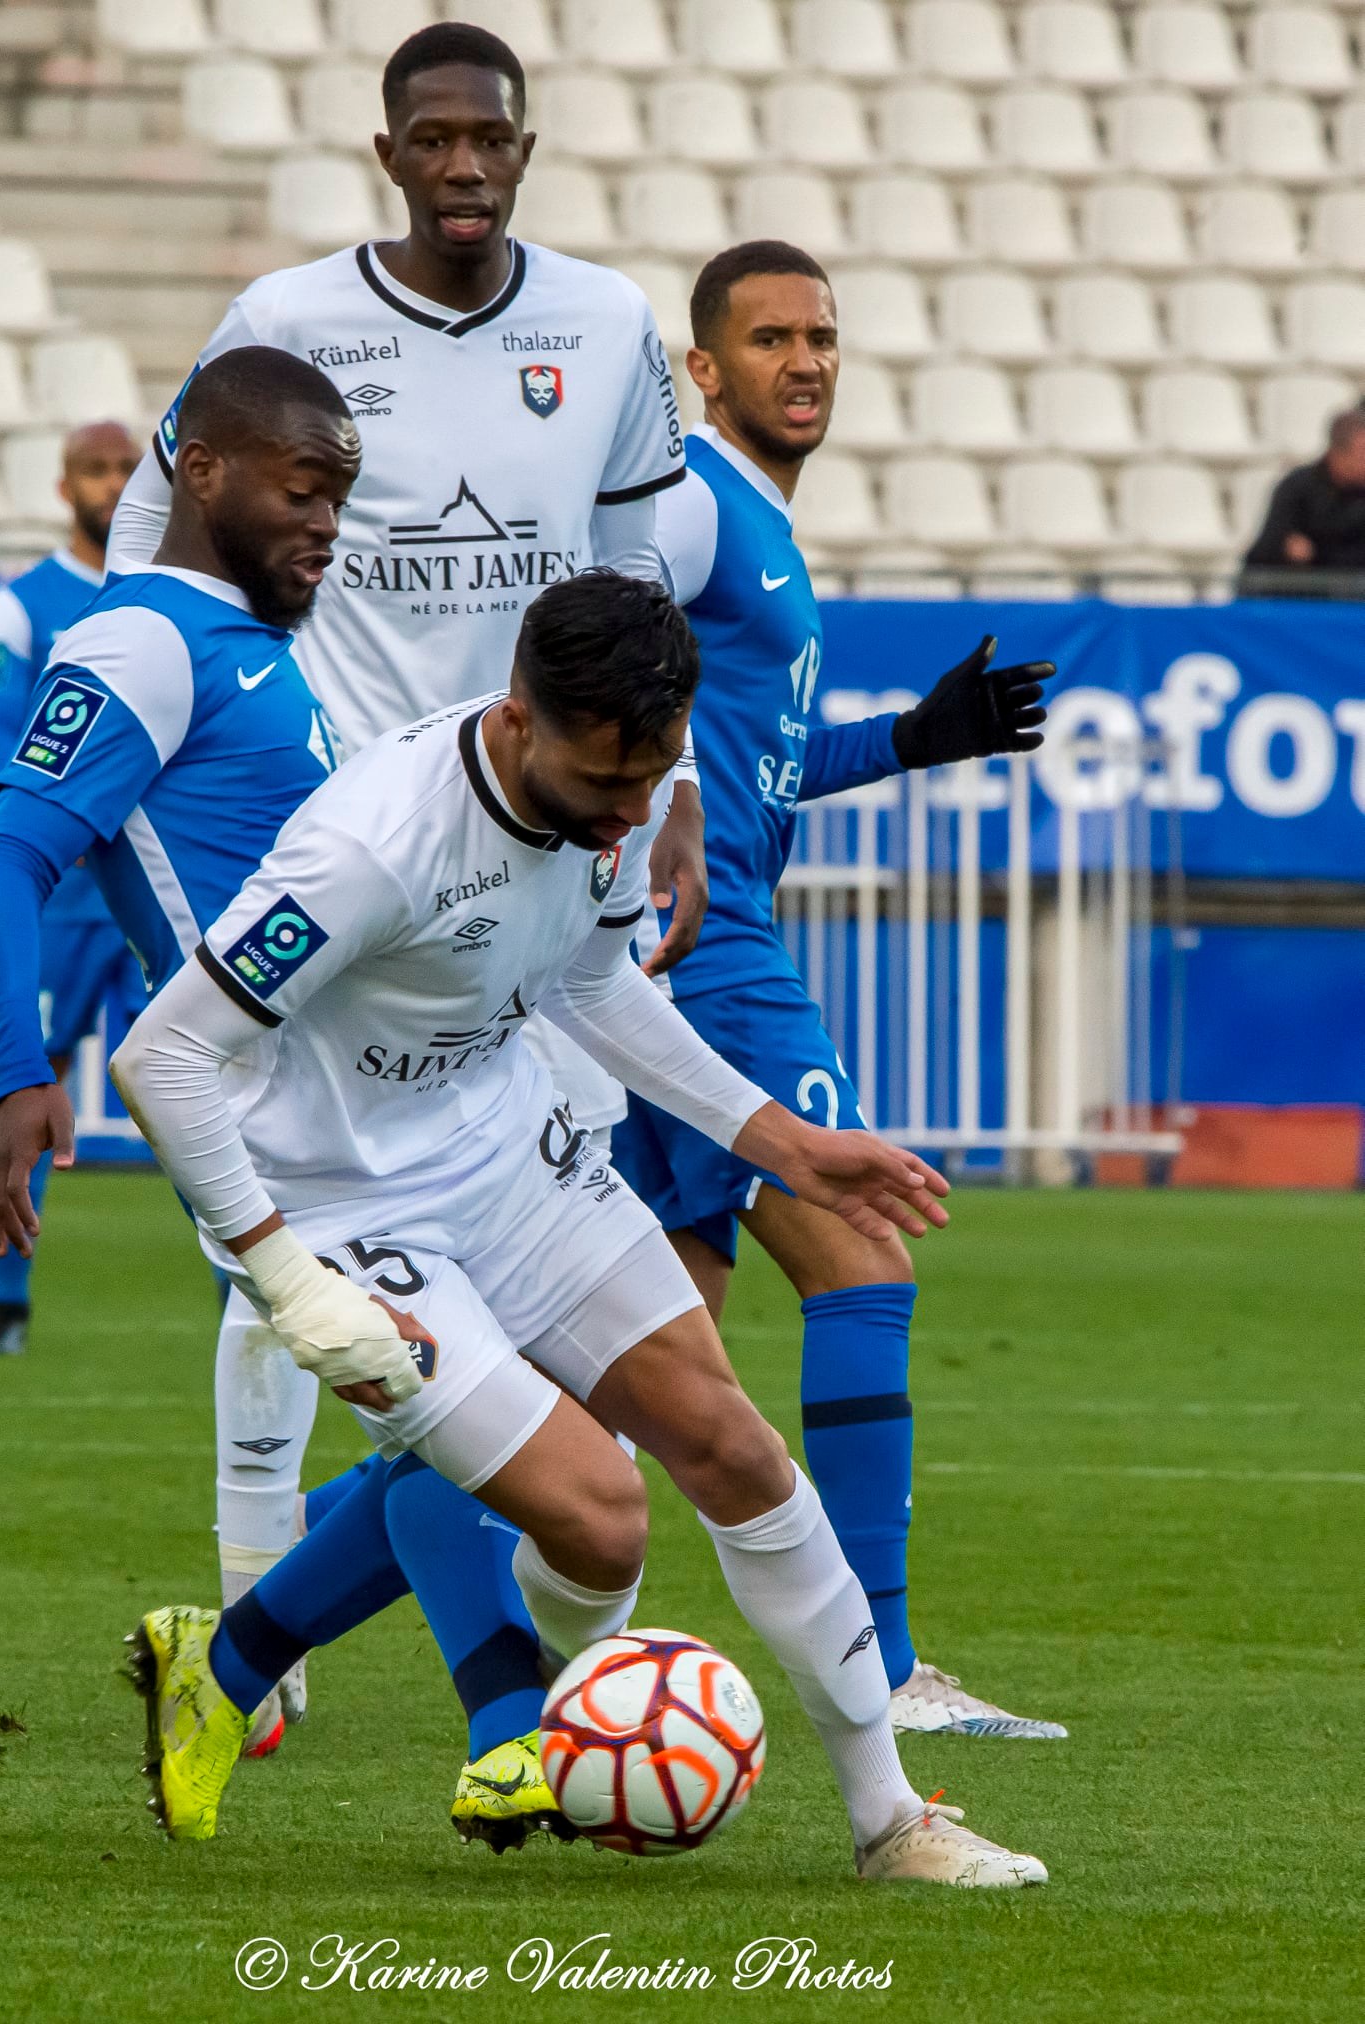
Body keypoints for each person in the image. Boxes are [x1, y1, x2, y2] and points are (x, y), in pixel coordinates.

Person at [111, 568, 1046, 1889]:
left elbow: (594, 984)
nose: (627, 810)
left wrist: (782, 1143)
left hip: (511, 1156)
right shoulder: (372, 845)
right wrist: (282, 1274)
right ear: (517, 718)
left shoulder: (627, 783)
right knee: (601, 1521)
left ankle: (890, 1822)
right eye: (604, 780)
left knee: (733, 1449)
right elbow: (161, 1057)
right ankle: (492, 1707)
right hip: (339, 1204)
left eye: (650, 775)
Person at [102, 18, 712, 1812]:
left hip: (540, 867)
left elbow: (642, 571)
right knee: (390, 1323)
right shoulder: (285, 318)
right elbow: (153, 541)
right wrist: (218, 744)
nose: (460, 163)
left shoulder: (600, 325)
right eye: (429, 136)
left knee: (485, 1376)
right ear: (388, 152)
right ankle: (496, 1722)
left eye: (486, 137)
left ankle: (240, 1656)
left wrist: (661, 779)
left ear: (523, 146)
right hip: (358, 869)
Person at [0, 345, 362, 1761]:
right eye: (305, 490)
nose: (326, 522)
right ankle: (337, 1669)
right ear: (202, 476)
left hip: (341, 1074)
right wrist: (11, 1072)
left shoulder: (239, 637)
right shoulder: (138, 637)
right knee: (519, 1428)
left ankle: (251, 1642)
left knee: (464, 1404)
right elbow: (11, 844)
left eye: (338, 496)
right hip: (281, 1081)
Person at [611, 242, 1065, 1742]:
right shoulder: (690, 501)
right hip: (705, 945)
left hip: (658, 950)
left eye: (818, 335)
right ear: (704, 368)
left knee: (621, 1367)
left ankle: (253, 1629)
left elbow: (759, 759)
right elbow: (601, 623)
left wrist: (913, 740)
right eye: (767, 338)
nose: (802, 360)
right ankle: (883, 1665)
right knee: (865, 1255)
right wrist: (669, 797)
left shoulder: (760, 524)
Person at [0, 422, 145, 1356]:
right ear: (63, 485)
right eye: (95, 470)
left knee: (210, 1101)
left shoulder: (167, 596)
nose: (113, 484)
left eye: (126, 469)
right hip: (66, 903)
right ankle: (9, 1304)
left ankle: (249, 1311)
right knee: (30, 1095)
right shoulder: (23, 604)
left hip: (155, 903)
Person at [1241, 407, 1365, 592]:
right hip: (1299, 598)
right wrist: (1287, 551)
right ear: (1337, 453)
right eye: (1362, 455)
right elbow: (1264, 553)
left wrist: (1317, 553)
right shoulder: (1297, 488)